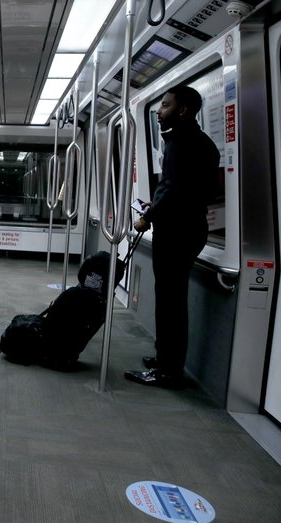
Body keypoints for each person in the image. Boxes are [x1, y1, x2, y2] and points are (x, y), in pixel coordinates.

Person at [124, 85, 220, 388]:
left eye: (165, 105)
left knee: (170, 304)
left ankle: (167, 370)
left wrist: (147, 217)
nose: (159, 111)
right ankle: (166, 359)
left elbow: (175, 188)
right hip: (190, 228)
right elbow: (187, 189)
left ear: (182, 110)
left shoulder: (180, 142)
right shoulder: (199, 141)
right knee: (172, 301)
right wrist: (160, 205)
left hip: (178, 233)